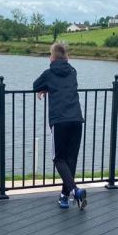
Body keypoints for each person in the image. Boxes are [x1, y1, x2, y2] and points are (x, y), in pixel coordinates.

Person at [33, 42, 87, 210]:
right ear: (67, 57)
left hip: (60, 121)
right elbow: (64, 85)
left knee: (58, 158)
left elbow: (35, 85)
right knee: (70, 159)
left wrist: (46, 88)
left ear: (52, 58)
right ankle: (64, 197)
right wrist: (50, 88)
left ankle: (75, 191)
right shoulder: (73, 72)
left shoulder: (49, 74)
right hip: (77, 120)